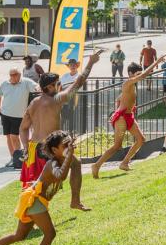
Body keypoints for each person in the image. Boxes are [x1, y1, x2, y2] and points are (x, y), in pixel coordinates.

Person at [19, 48, 103, 211]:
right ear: (49, 87)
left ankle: (71, 202)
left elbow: (23, 129)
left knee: (69, 168)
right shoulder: (56, 100)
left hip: (35, 148)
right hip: (50, 149)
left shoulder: (34, 102)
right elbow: (79, 82)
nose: (60, 86)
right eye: (57, 84)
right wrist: (90, 63)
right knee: (48, 186)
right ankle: (35, 213)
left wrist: (25, 148)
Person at [90, 58, 161, 177]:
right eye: (137, 73)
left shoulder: (131, 85)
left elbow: (118, 98)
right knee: (117, 146)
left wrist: (117, 109)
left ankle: (125, 163)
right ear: (131, 74)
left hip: (128, 116)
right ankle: (96, 165)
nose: (139, 75)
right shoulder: (128, 83)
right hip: (122, 118)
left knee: (141, 139)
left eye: (139, 73)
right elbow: (143, 75)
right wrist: (157, 62)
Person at [0, 67, 38, 169]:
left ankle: (20, 158)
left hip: (19, 116)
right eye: (11, 75)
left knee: (14, 137)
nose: (13, 77)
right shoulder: (5, 84)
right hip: (5, 114)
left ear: (20, 74)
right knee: (9, 136)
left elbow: (37, 88)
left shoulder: (26, 82)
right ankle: (13, 158)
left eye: (15, 74)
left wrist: (38, 88)